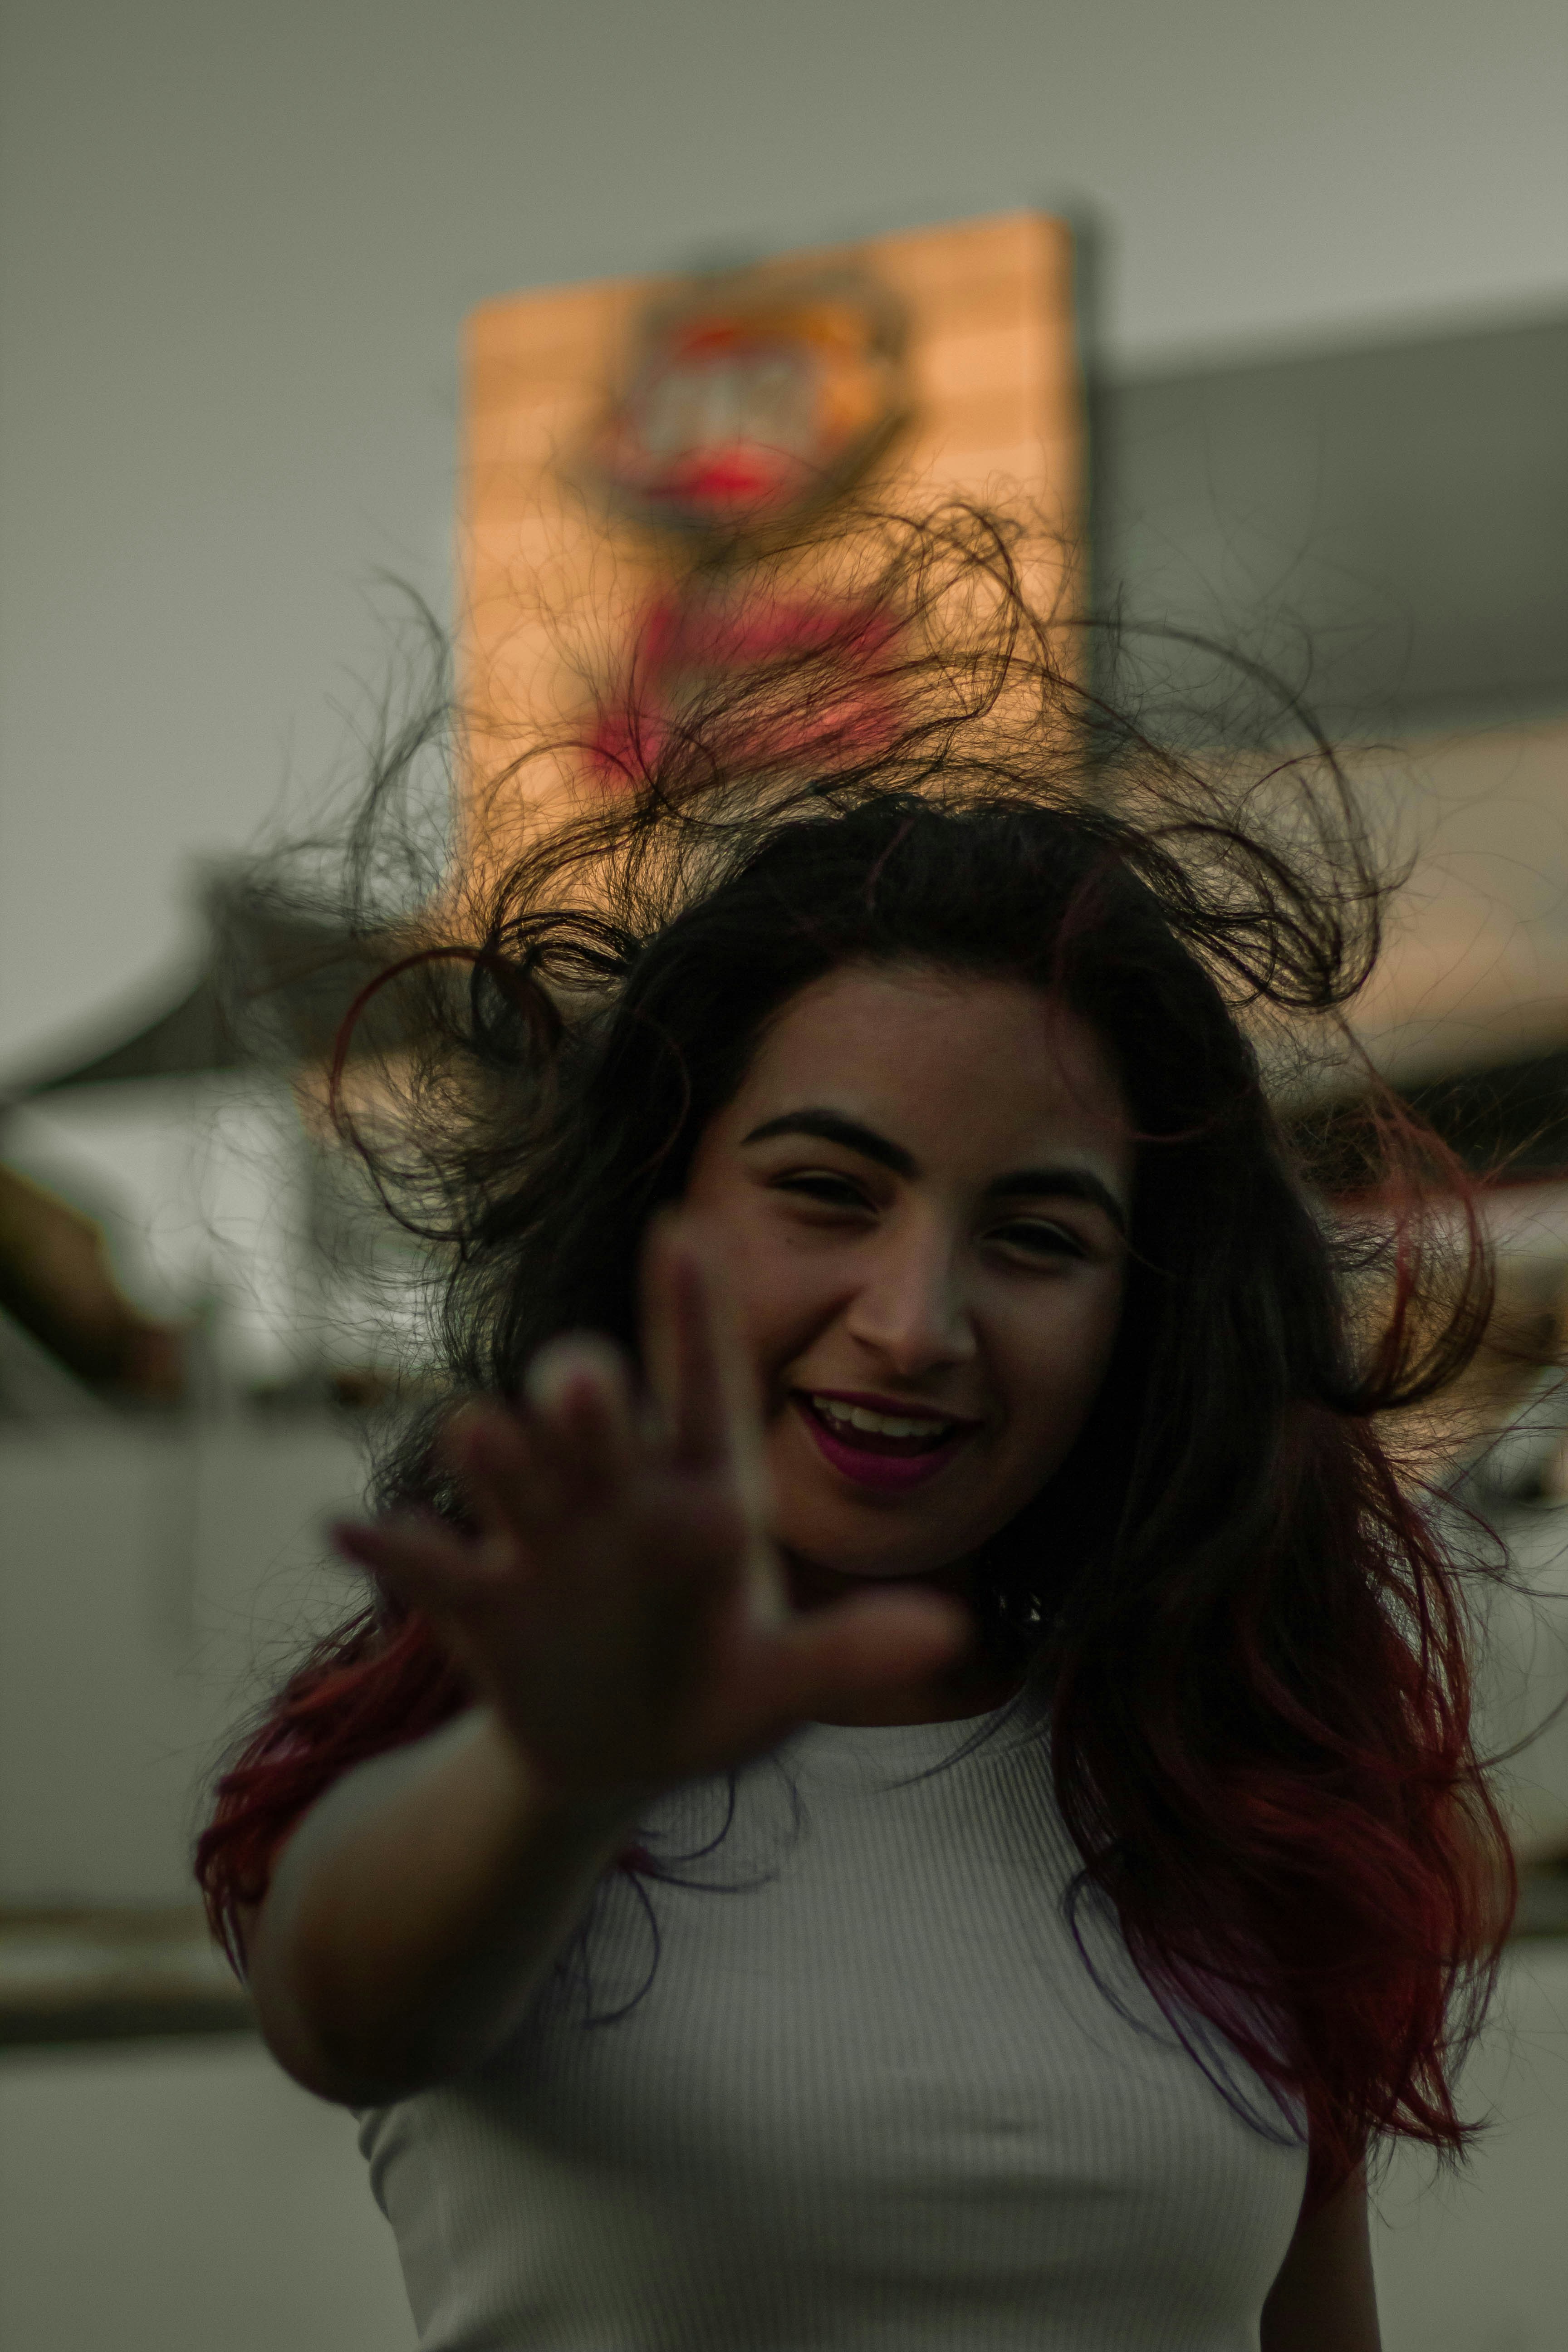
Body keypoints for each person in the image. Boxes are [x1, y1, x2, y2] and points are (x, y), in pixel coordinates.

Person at [197, 515, 1512, 2351]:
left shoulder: (1234, 1797)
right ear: (661, 1215)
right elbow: (345, 2013)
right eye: (829, 1190)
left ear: (1146, 1319)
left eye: (1039, 1237)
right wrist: (564, 1760)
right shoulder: (490, 1757)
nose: (915, 1322)